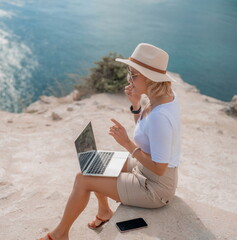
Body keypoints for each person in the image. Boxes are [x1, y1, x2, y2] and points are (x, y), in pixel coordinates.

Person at [38, 43, 181, 240]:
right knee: (95, 162)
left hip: (155, 187)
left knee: (83, 179)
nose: (129, 79)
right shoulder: (161, 96)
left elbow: (159, 168)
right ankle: (104, 212)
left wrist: (127, 144)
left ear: (149, 77)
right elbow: (146, 134)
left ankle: (59, 235)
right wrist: (136, 105)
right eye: (129, 74)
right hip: (145, 168)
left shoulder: (161, 116)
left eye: (133, 75)